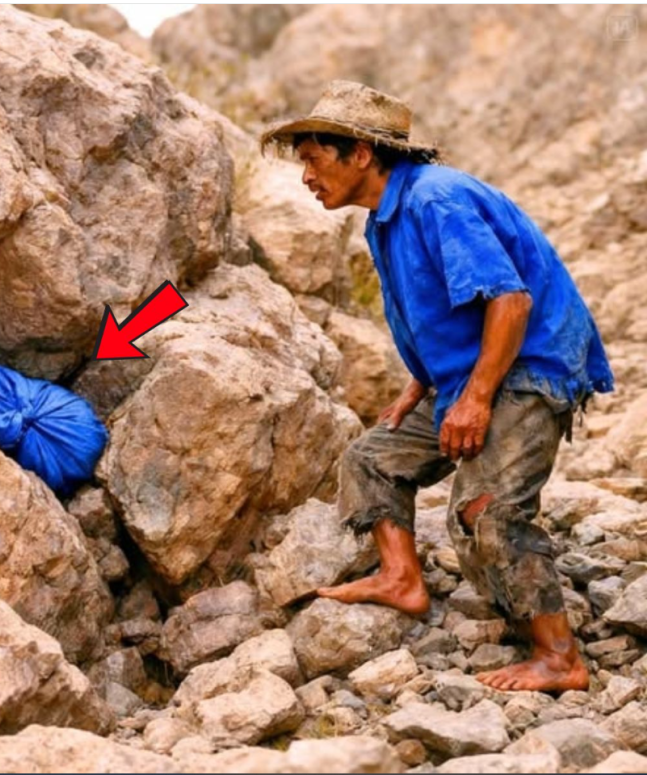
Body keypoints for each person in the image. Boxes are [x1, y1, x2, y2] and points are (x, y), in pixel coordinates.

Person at [261, 80, 614, 693]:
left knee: (484, 512)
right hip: (471, 375)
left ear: (361, 154)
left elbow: (509, 299)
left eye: (315, 160)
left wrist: (475, 399)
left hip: (529, 370)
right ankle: (402, 579)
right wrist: (422, 384)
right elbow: (440, 313)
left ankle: (561, 658)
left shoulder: (435, 199)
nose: (307, 178)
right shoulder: (383, 220)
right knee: (371, 458)